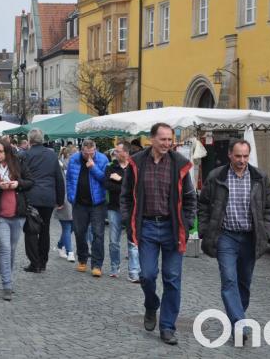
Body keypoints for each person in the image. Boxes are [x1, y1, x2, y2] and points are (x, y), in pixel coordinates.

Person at [120, 122, 197, 345]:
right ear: (151, 139)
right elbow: (125, 196)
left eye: (169, 139)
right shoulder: (137, 163)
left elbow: (191, 198)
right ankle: (151, 304)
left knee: (172, 279)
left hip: (172, 227)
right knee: (147, 275)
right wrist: (127, 220)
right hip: (147, 227)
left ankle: (167, 327)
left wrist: (187, 221)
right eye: (162, 139)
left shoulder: (179, 164)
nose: (167, 143)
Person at [198, 139, 270, 345]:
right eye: (238, 156)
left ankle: (235, 320)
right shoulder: (216, 176)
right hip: (226, 236)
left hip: (250, 237)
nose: (242, 160)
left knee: (244, 283)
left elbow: (269, 207)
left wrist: (267, 232)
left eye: (245, 156)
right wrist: (205, 230)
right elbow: (203, 204)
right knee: (229, 280)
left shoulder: (259, 177)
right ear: (230, 155)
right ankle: (240, 323)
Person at [0, 139, 34, 300]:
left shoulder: (18, 163)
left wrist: (18, 183)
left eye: (1, 151)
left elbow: (30, 182)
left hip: (18, 214)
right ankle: (7, 285)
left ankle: (8, 278)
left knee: (12, 248)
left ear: (8, 152)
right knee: (4, 248)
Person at [21, 128, 66, 273]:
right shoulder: (52, 155)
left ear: (29, 141)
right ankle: (43, 261)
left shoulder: (26, 155)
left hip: (32, 197)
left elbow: (21, 177)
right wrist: (60, 199)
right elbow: (59, 178)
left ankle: (35, 262)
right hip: (48, 197)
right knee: (45, 230)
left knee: (31, 230)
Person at [67, 139, 109, 277]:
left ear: (95, 150)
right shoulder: (74, 159)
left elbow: (105, 179)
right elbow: (69, 178)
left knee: (98, 234)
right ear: (82, 151)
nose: (89, 156)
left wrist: (93, 167)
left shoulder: (102, 159)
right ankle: (83, 259)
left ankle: (97, 265)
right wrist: (70, 196)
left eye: (92, 153)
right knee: (79, 232)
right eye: (86, 154)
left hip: (97, 203)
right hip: (79, 203)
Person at [104, 141, 140, 281]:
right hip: (114, 207)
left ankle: (134, 272)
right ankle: (114, 267)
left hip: (132, 208)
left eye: (117, 151)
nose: (115, 153)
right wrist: (124, 184)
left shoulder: (134, 167)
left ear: (125, 152)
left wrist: (119, 180)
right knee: (114, 241)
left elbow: (136, 187)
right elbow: (107, 185)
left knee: (133, 242)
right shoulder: (111, 167)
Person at [54, 145, 76, 262]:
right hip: (63, 200)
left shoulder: (75, 167)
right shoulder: (59, 167)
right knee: (67, 227)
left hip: (73, 200)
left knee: (72, 227)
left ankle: (59, 245)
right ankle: (70, 252)